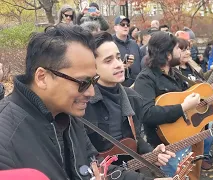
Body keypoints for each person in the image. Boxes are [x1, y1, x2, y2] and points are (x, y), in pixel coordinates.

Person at [0, 25, 173, 180]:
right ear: (42, 77)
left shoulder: (68, 116)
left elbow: (94, 165)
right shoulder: (6, 138)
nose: (91, 92)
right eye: (83, 83)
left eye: (93, 80)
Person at [133, 31, 213, 178]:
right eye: (178, 49)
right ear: (167, 55)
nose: (182, 52)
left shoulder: (175, 74)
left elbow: (196, 103)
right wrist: (183, 107)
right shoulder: (145, 79)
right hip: (165, 148)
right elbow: (146, 114)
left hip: (186, 137)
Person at [84, 31, 175, 166]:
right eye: (108, 60)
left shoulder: (133, 98)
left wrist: (151, 154)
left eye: (118, 57)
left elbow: (135, 139)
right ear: (92, 66)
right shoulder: (83, 103)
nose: (119, 64)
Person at [113, 15, 143, 87]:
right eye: (122, 24)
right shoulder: (111, 44)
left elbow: (141, 63)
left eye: (128, 25)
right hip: (119, 87)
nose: (125, 26)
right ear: (115, 28)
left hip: (137, 85)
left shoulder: (134, 43)